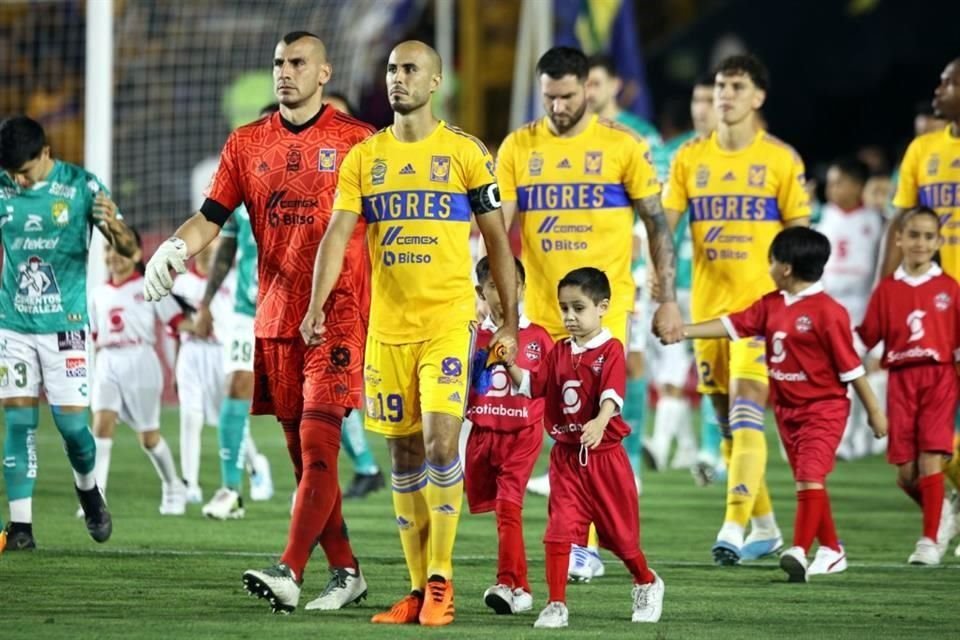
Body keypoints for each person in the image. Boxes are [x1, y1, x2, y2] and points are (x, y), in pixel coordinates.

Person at [143, 31, 374, 613]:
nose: (285, 72)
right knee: (304, 460)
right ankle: (346, 572)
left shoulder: (359, 142)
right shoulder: (246, 144)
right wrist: (173, 248)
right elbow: (210, 218)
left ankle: (289, 570)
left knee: (321, 444)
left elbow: (389, 225)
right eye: (278, 62)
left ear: (324, 73)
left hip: (339, 316)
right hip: (273, 319)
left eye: (298, 62)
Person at [302, 40, 519, 627]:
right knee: (403, 453)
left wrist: (509, 322)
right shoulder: (365, 158)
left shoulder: (467, 153)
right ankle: (419, 590)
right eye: (392, 69)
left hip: (449, 322)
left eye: (410, 69)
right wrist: (317, 304)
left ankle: (444, 578)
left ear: (436, 80)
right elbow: (337, 235)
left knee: (444, 444)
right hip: (388, 330)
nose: (398, 79)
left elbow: (498, 241)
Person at [497, 45, 682, 582]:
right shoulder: (518, 147)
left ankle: (589, 543)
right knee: (558, 426)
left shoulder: (624, 146)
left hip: (605, 307)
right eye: (549, 97)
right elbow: (496, 227)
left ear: (588, 91)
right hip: (544, 309)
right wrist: (496, 304)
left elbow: (656, 223)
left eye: (568, 96)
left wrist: (666, 295)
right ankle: (579, 538)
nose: (557, 107)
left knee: (590, 425)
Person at [662, 53, 811, 565]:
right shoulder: (689, 159)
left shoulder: (781, 161)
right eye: (720, 85)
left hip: (761, 315)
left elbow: (802, 241)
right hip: (706, 314)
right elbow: (664, 230)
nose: (725, 95)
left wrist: (797, 307)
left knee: (748, 414)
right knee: (727, 422)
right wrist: (663, 298)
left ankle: (731, 524)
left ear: (758, 96)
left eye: (736, 86)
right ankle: (766, 527)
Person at [678, 227, 887, 582]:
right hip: (789, 413)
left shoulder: (828, 312)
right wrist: (682, 331)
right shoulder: (771, 304)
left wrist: (875, 412)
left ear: (786, 268)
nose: (769, 267)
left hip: (824, 409)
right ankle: (833, 549)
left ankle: (799, 550)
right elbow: (733, 325)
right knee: (810, 482)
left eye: (772, 260)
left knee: (808, 478)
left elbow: (852, 369)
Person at [0, 115, 134, 550]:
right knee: (18, 422)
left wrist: (113, 225)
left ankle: (89, 491)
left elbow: (130, 250)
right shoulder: (3, 187)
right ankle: (21, 527)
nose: (18, 180)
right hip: (13, 323)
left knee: (73, 428)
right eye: (10, 173)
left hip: (66, 327)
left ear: (45, 154)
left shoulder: (82, 187)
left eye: (25, 170)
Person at [505, 267, 664, 628]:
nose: (570, 317)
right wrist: (509, 364)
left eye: (578, 308)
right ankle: (556, 604)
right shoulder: (559, 350)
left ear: (603, 306)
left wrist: (601, 420)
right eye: (564, 309)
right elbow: (533, 386)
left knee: (623, 540)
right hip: (566, 458)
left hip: (606, 460)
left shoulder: (611, 349)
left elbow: (612, 394)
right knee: (558, 532)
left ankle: (646, 581)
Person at [883, 59, 960, 548]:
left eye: (949, 81)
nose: (940, 87)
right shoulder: (923, 150)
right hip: (923, 313)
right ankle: (946, 504)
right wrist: (884, 291)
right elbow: (898, 226)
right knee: (907, 461)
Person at [191, 103, 280, 520]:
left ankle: (314, 490)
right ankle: (230, 489)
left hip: (296, 308)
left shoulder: (313, 182)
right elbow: (226, 246)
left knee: (306, 406)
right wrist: (207, 303)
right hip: (248, 308)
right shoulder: (245, 182)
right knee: (237, 387)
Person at [859, 207, 960, 565]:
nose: (921, 243)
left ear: (938, 241)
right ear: (899, 239)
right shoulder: (887, 290)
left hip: (939, 378)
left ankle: (929, 542)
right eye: (913, 235)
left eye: (928, 236)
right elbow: (867, 336)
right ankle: (944, 509)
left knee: (931, 456)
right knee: (906, 473)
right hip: (900, 380)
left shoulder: (949, 287)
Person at [466, 256, 552, 616]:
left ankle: (510, 583)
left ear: (522, 287)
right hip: (483, 433)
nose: (503, 292)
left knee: (507, 506)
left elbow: (552, 384)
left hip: (522, 434)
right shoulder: (469, 335)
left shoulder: (538, 337)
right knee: (493, 509)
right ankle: (519, 589)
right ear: (480, 291)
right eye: (492, 285)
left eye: (511, 284)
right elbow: (467, 385)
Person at [646, 75, 719, 479]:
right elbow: (658, 221)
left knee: (715, 367)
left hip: (721, 280)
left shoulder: (744, 155)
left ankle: (707, 450)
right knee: (671, 364)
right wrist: (656, 269)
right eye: (698, 99)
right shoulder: (673, 154)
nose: (703, 108)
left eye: (710, 99)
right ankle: (683, 447)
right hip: (678, 280)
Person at [89, 230, 189, 515]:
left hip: (141, 361)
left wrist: (199, 329)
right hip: (108, 360)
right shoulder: (97, 294)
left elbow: (177, 321)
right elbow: (94, 336)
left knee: (148, 437)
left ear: (136, 254)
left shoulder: (148, 286)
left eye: (122, 249)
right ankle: (96, 500)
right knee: (101, 425)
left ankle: (173, 485)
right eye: (109, 249)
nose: (114, 256)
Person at [317, 92, 386, 499]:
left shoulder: (375, 169)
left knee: (338, 386)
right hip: (328, 295)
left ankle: (367, 466)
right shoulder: (318, 180)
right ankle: (363, 466)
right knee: (331, 386)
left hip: (368, 293)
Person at [816, 156, 886, 461]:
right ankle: (841, 439)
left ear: (857, 186)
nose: (831, 189)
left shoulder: (875, 220)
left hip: (865, 304)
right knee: (839, 375)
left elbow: (882, 264)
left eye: (838, 182)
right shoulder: (824, 216)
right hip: (834, 305)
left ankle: (864, 436)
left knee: (868, 372)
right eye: (830, 183)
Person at [170, 242, 234, 506]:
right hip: (191, 353)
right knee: (190, 417)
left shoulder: (231, 278)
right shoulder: (181, 284)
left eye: (214, 243)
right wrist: (175, 366)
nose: (209, 248)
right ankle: (190, 483)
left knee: (228, 420)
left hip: (223, 354)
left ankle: (256, 466)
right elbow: (173, 323)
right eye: (205, 243)